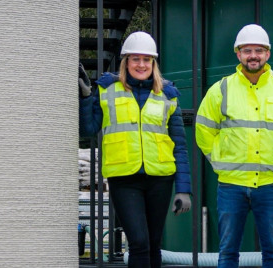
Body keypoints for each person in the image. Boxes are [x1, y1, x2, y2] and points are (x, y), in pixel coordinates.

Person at [195, 24, 273, 268]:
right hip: (231, 184)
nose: (253, 55)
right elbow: (203, 130)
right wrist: (218, 159)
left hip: (270, 185)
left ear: (267, 54)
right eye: (247, 50)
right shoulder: (220, 90)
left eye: (258, 50)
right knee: (227, 253)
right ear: (238, 54)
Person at [79, 31, 192, 268]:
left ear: (153, 63)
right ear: (126, 62)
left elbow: (180, 146)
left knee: (153, 242)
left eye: (147, 59)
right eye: (135, 59)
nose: (141, 64)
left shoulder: (168, 95)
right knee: (139, 241)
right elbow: (87, 129)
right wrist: (86, 97)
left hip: (160, 178)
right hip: (124, 177)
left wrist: (184, 189)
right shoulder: (107, 89)